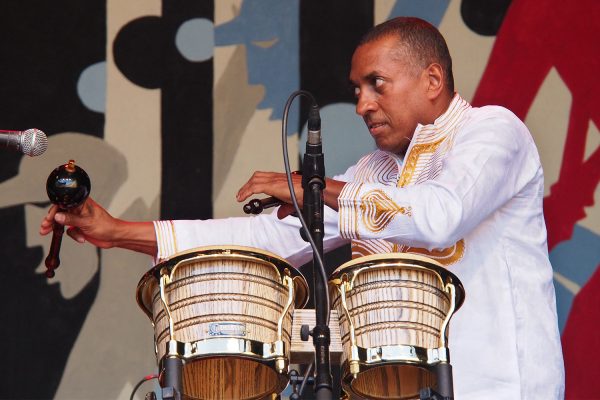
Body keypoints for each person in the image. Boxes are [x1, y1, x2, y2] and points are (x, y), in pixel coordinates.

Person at [40, 17, 565, 399]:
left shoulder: (493, 132)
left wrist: (310, 186)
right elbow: (270, 239)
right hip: (400, 390)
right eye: (356, 90)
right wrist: (116, 231)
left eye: (375, 84)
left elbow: (438, 215)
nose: (362, 105)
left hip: (500, 384)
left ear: (431, 80)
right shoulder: (374, 174)